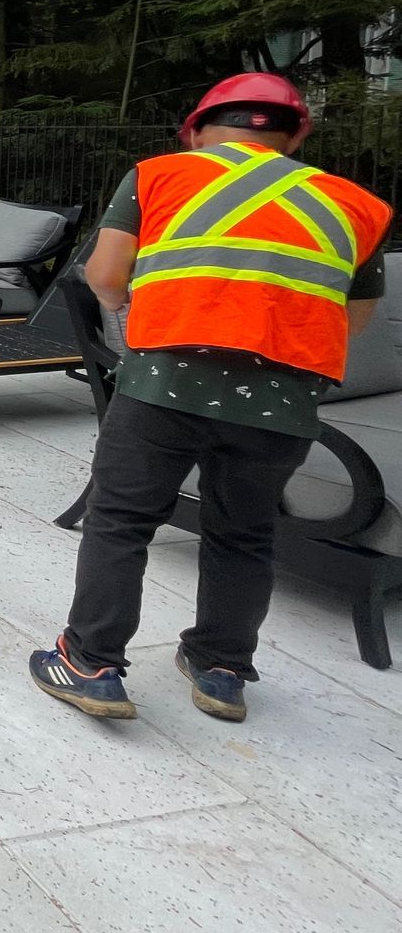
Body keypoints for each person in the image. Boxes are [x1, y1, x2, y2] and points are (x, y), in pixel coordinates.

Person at [32, 73, 390, 723]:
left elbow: (106, 277)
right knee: (245, 534)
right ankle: (221, 671)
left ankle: (89, 664)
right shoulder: (356, 206)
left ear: (196, 130)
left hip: (164, 385)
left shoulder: (157, 176)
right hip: (280, 403)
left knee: (120, 521)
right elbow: (352, 319)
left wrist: (142, 312)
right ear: (296, 137)